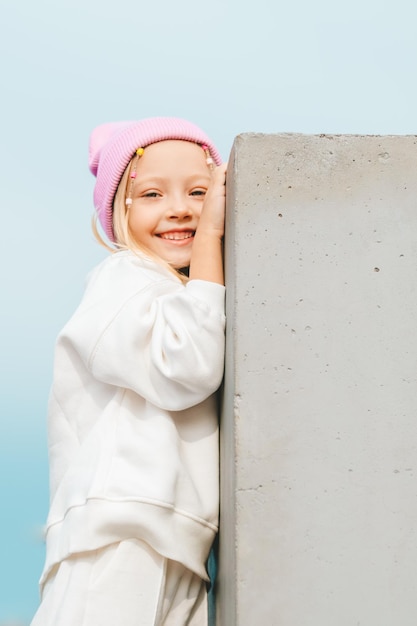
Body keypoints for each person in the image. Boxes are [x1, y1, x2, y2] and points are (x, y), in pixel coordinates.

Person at [30, 117, 227, 625]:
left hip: (175, 539)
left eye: (199, 191)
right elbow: (188, 366)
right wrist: (210, 238)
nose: (179, 209)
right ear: (118, 213)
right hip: (120, 533)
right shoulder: (122, 280)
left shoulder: (173, 290)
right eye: (153, 194)